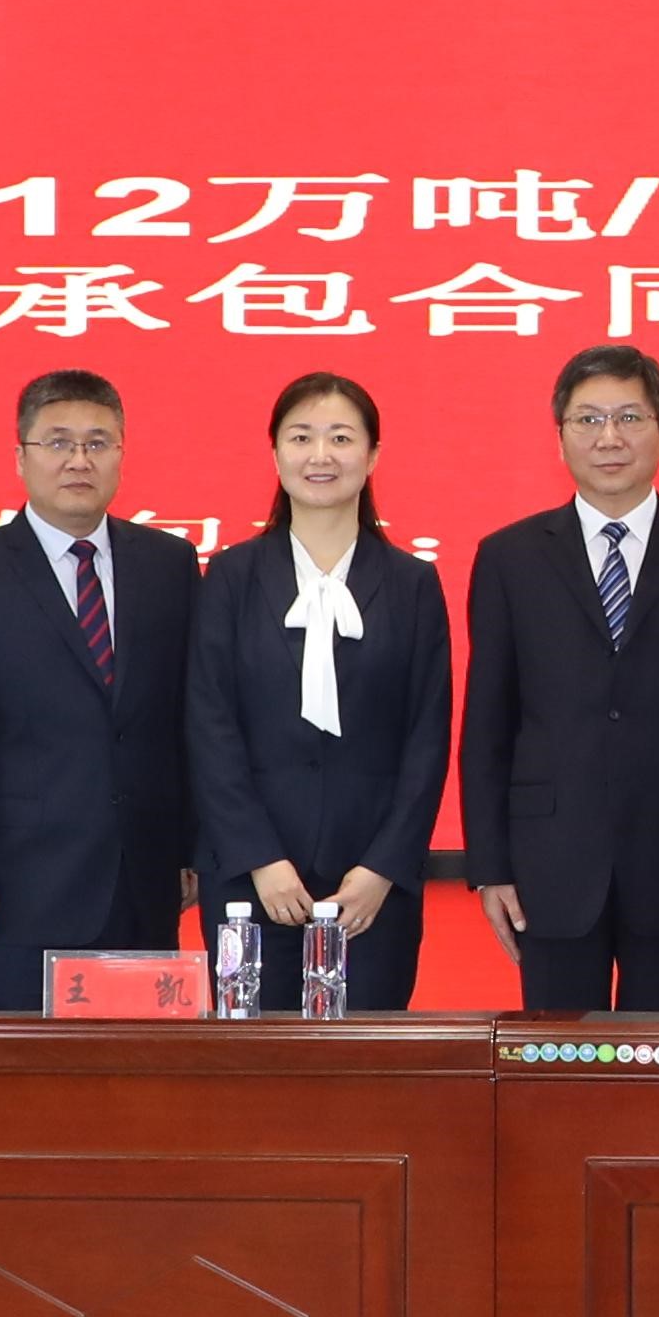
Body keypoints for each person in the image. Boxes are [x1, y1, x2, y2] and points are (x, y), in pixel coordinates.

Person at [454, 340, 659, 1013]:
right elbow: (488, 725)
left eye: (629, 417)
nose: (609, 438)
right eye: (589, 420)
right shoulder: (510, 558)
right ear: (560, 437)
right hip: (549, 866)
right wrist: (489, 866)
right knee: (558, 1060)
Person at [0, 366, 203, 1009]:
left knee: (141, 1062)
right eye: (58, 442)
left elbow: (185, 720)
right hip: (17, 889)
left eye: (98, 443)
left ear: (121, 454)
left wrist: (189, 847)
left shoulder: (169, 565)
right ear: (21, 457)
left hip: (144, 879)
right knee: (23, 1067)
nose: (79, 460)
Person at [191, 368, 453, 1012]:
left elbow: (427, 736)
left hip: (372, 890)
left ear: (373, 455)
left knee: (367, 1061)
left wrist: (384, 867)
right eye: (301, 436)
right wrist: (260, 859)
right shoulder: (230, 576)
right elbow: (209, 724)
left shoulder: (412, 584)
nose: (321, 456)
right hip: (251, 884)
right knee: (252, 1061)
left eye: (341, 438)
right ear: (276, 452)